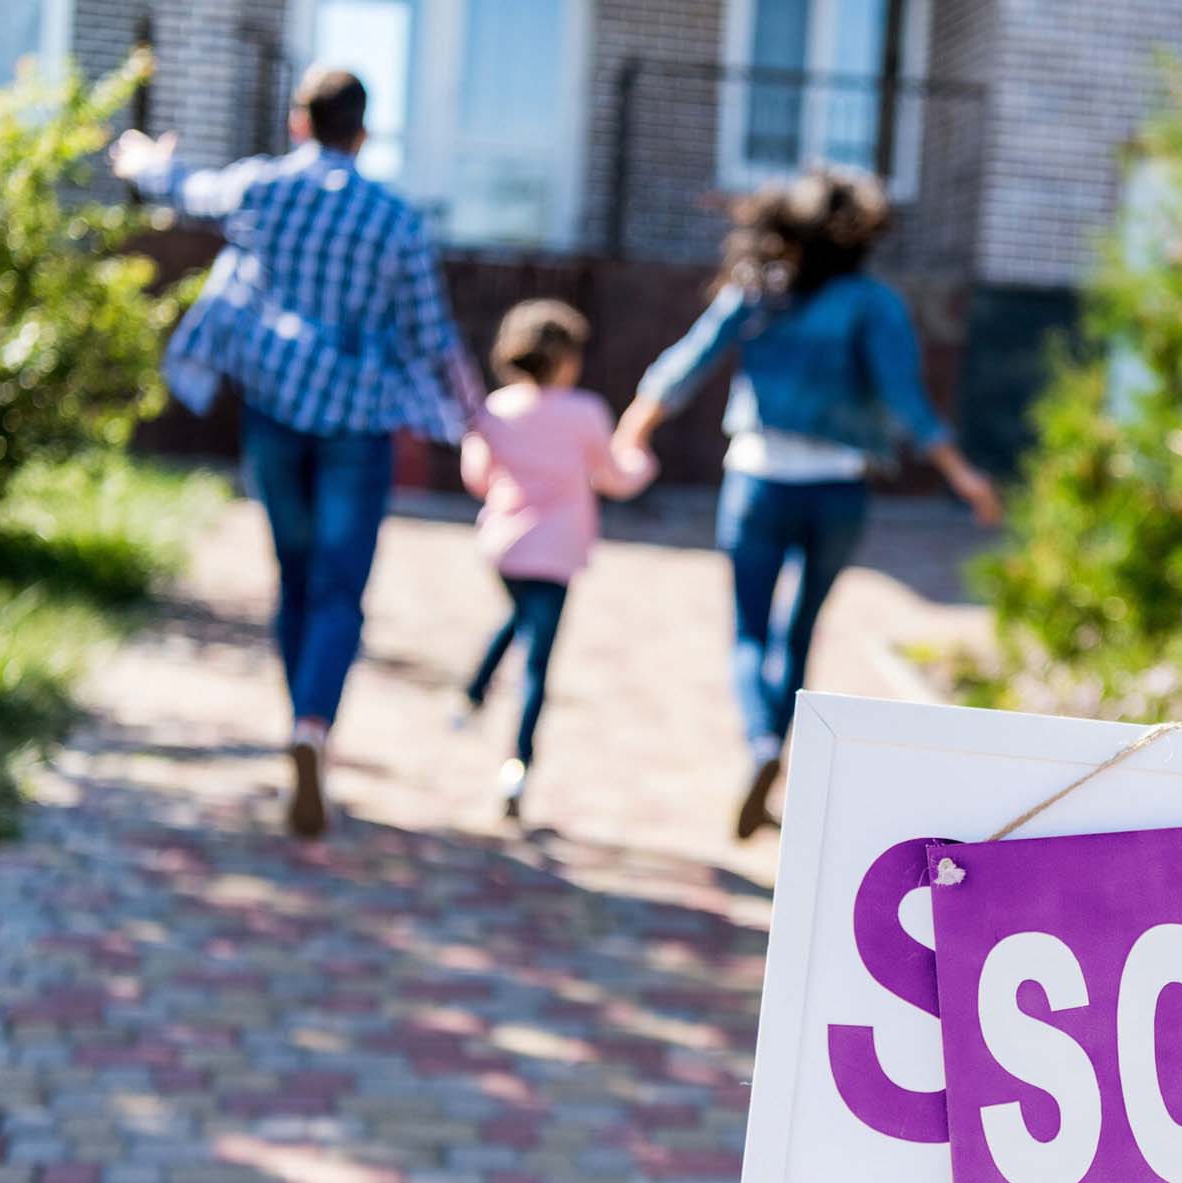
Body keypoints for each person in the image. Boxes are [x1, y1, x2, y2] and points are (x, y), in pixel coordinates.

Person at [109, 67, 483, 838]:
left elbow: (185, 189)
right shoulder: (395, 219)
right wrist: (481, 420)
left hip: (274, 409)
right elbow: (430, 335)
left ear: (297, 122)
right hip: (356, 421)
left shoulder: (263, 188)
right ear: (363, 132)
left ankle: (298, 723)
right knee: (340, 590)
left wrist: (143, 159)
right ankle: (314, 725)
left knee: (294, 575)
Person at [612, 169, 1003, 840]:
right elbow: (907, 400)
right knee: (797, 633)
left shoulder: (759, 290)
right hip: (838, 490)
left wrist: (632, 428)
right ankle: (774, 753)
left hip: (757, 481)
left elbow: (690, 358)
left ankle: (761, 744)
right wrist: (961, 474)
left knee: (747, 631)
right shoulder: (873, 303)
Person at [460, 301, 657, 820]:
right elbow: (615, 475)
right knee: (537, 662)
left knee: (522, 618)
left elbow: (477, 477)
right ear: (567, 358)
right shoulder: (585, 412)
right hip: (556, 551)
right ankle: (518, 764)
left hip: (505, 547)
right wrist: (641, 456)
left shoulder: (493, 409)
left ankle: (474, 691)